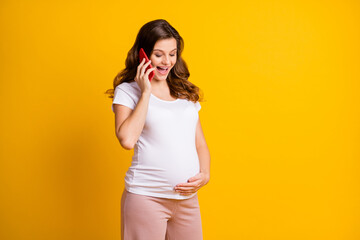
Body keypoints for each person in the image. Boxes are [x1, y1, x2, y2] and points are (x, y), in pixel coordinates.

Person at [106, 19, 210, 240]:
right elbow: (127, 139)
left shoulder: (183, 91)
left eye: (172, 54)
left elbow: (199, 142)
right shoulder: (128, 91)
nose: (167, 61)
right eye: (158, 54)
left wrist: (205, 174)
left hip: (187, 200)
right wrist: (145, 92)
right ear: (143, 55)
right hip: (146, 198)